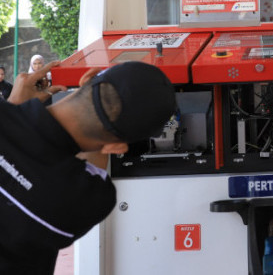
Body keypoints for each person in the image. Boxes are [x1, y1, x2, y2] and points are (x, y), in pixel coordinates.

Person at [0, 60, 177, 273]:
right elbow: (91, 174)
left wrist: (12, 106)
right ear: (116, 147)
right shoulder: (86, 199)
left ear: (87, 77)